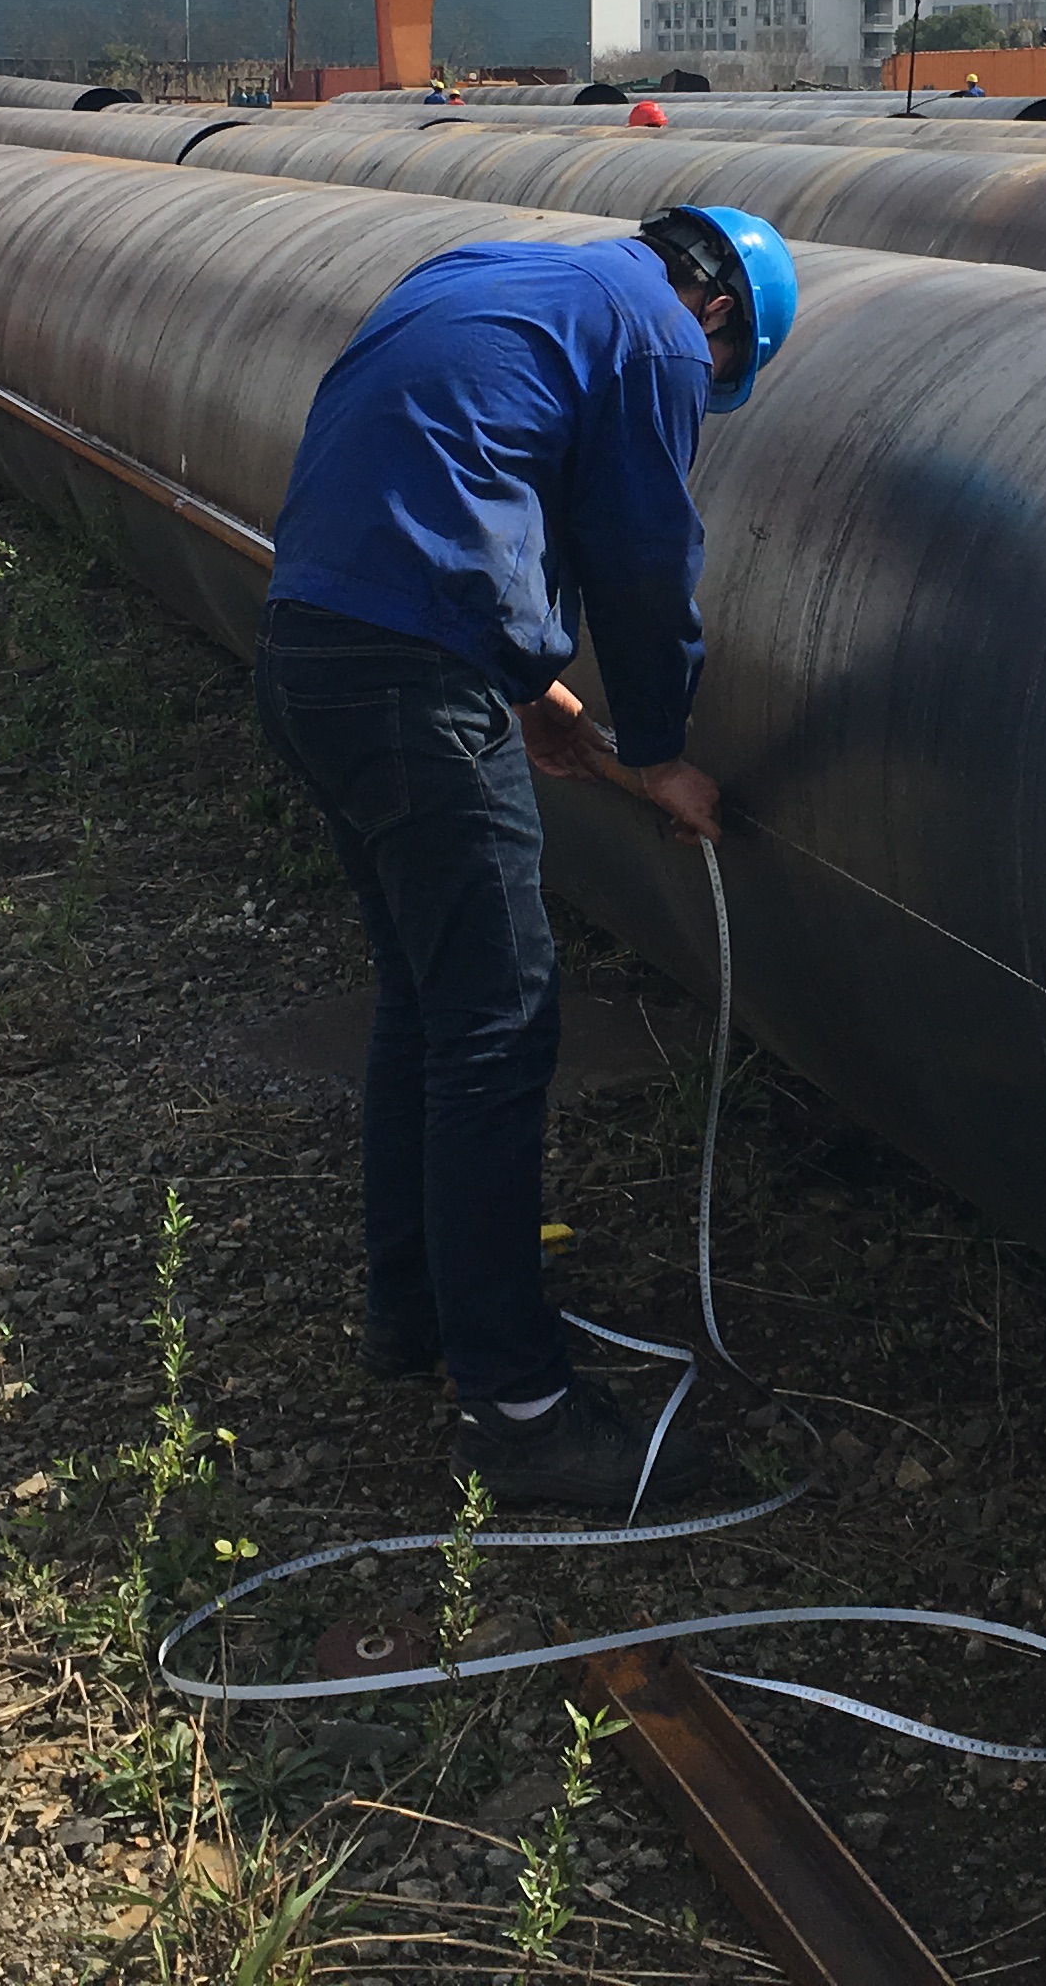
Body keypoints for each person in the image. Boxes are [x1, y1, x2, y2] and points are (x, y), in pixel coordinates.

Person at [258, 205, 800, 1509]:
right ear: (721, 316)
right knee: (501, 1021)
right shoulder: (662, 336)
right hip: (405, 677)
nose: (702, 381)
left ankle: (417, 1312)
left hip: (314, 646)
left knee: (428, 998)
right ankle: (522, 1411)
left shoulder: (499, 270)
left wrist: (522, 681)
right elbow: (642, 552)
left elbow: (438, 470)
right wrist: (657, 746)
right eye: (723, 375)